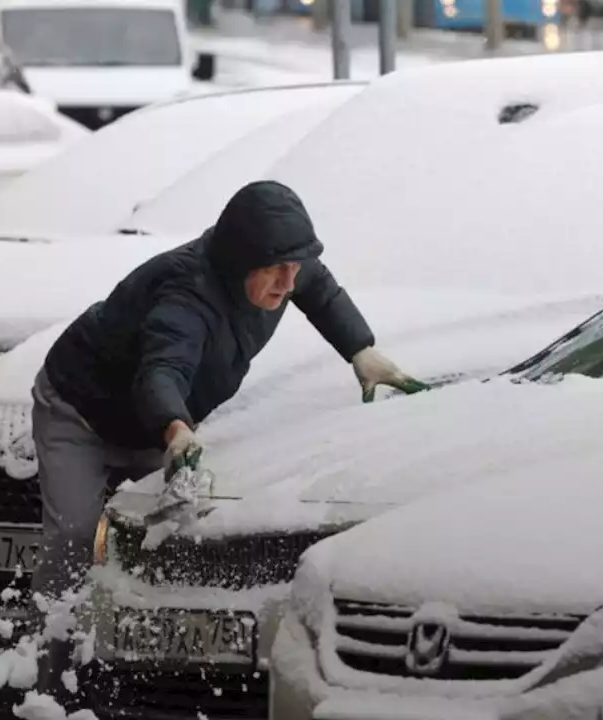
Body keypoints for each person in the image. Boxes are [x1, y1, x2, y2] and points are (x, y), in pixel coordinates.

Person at [28, 180, 427, 689]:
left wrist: (361, 350)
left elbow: (322, 292)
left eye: (295, 266)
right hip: (78, 410)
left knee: (164, 537)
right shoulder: (186, 294)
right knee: (76, 537)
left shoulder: (284, 265)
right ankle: (45, 674)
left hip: (159, 424)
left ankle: (141, 676)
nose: (289, 280)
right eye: (276, 269)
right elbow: (162, 370)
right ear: (240, 261)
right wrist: (175, 427)